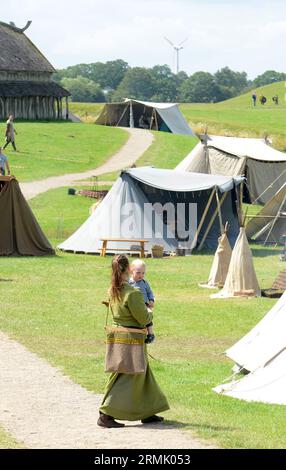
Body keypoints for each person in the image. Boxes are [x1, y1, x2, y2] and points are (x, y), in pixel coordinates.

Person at [98, 254, 169, 428]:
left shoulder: (113, 290)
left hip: (119, 338)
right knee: (126, 376)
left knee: (142, 375)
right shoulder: (132, 293)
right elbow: (143, 317)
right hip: (132, 340)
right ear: (128, 270)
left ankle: (147, 411)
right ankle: (106, 414)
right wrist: (150, 311)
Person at [129, 259, 155, 344]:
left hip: (144, 304)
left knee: (148, 318)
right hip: (133, 304)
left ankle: (151, 334)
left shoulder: (144, 283)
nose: (141, 275)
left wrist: (151, 300)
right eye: (138, 272)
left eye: (143, 273)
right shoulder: (129, 283)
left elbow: (149, 292)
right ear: (131, 271)